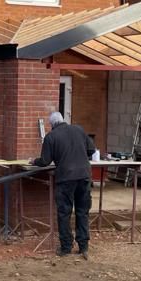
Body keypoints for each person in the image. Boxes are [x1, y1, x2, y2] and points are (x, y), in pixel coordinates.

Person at [32, 111, 96, 258]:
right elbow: (91, 150)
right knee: (82, 212)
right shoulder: (79, 129)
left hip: (66, 178)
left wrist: (33, 161)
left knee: (64, 213)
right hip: (84, 176)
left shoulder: (51, 137)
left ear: (52, 124)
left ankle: (66, 247)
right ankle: (83, 247)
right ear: (63, 120)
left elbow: (45, 161)